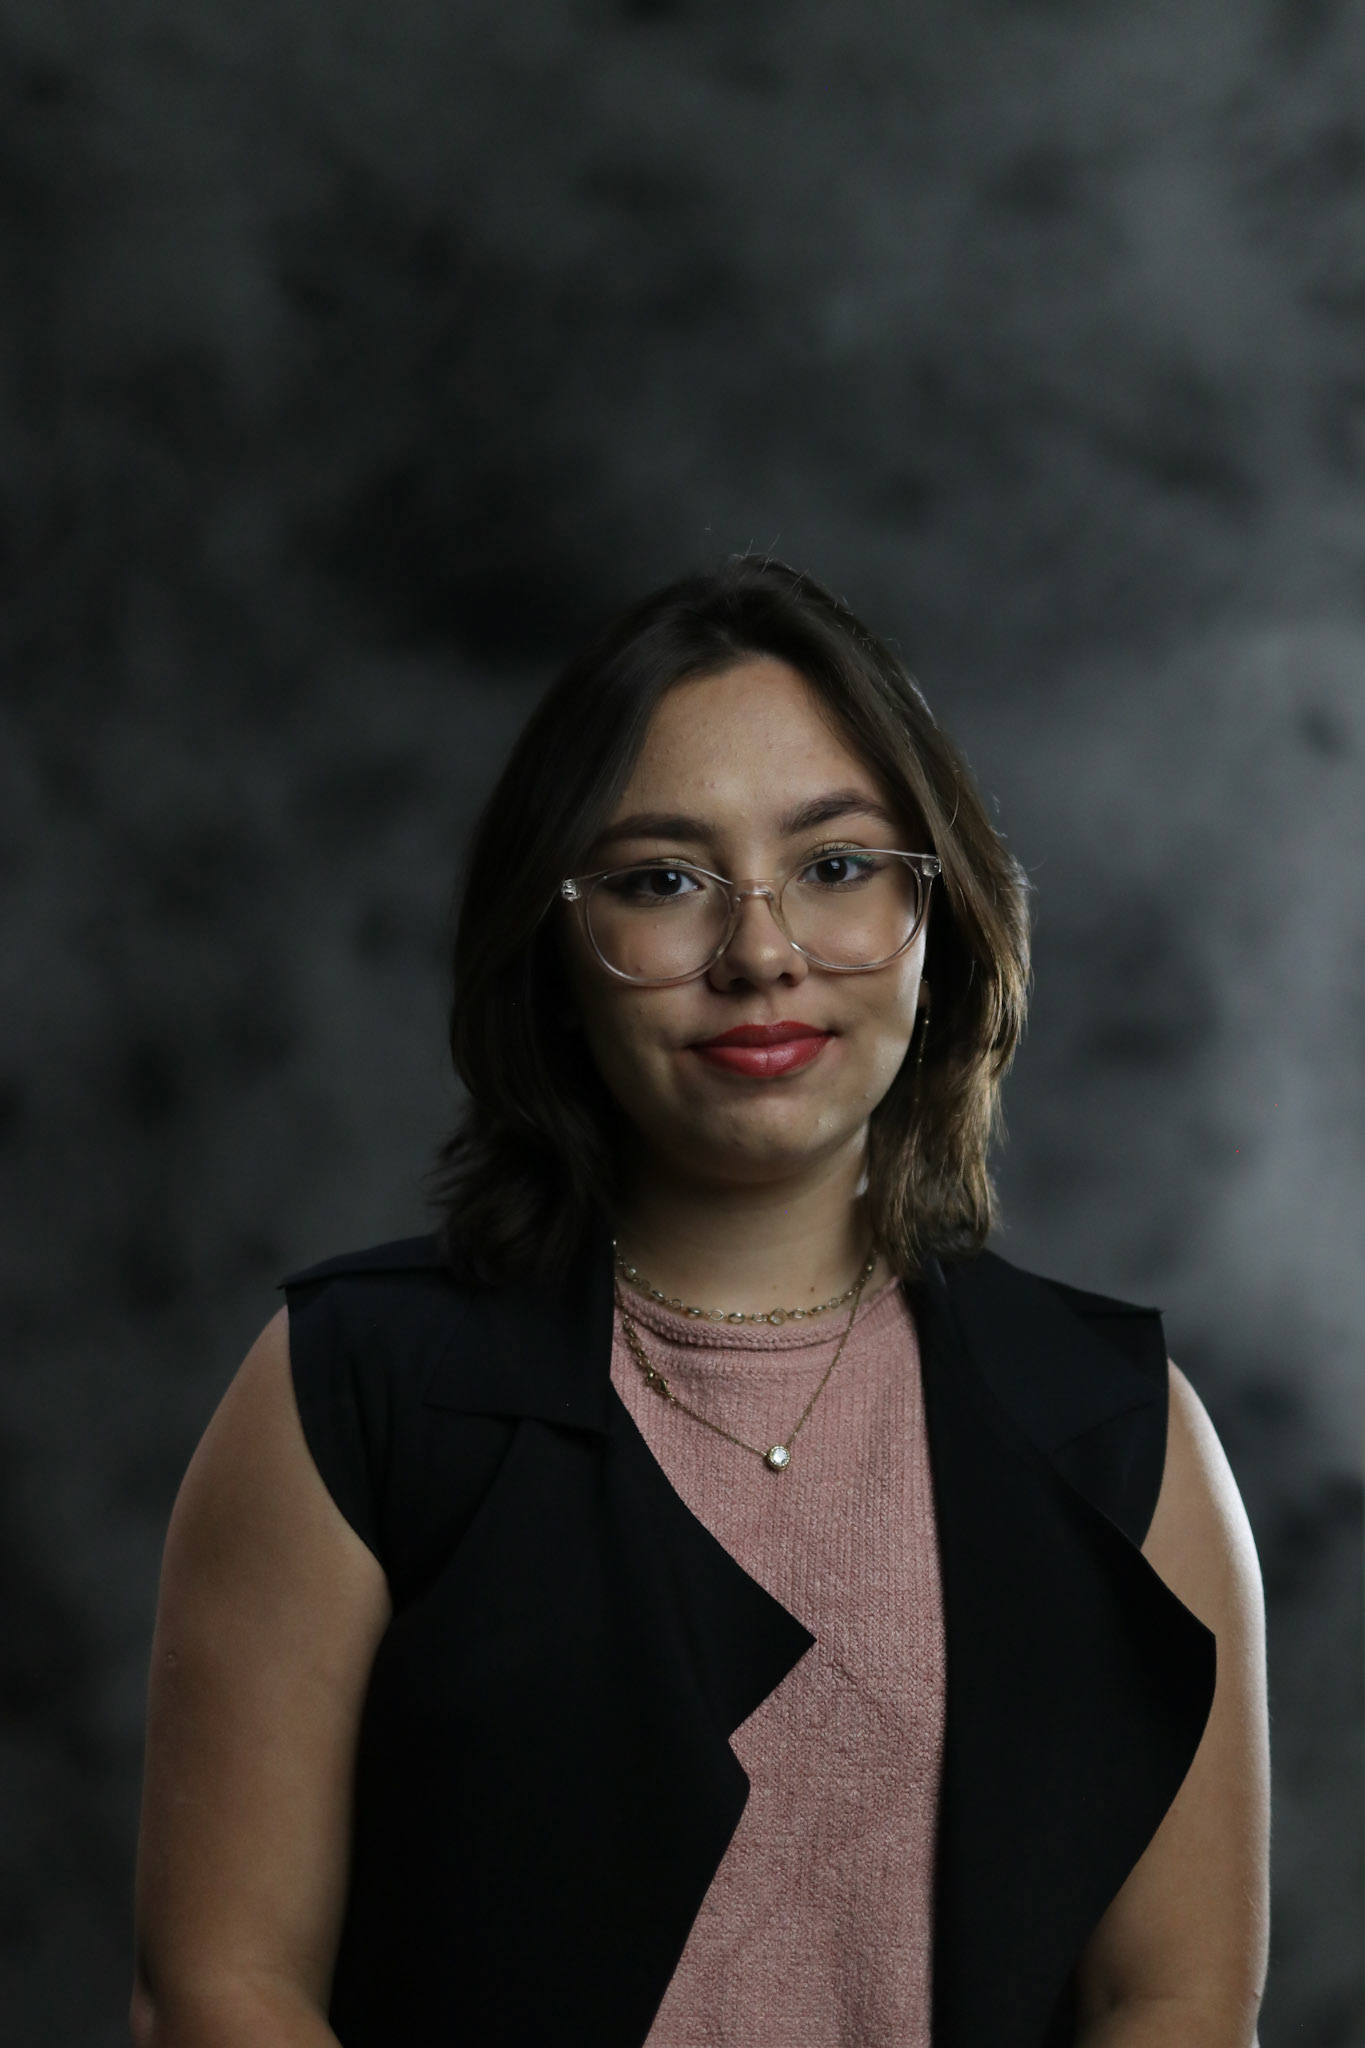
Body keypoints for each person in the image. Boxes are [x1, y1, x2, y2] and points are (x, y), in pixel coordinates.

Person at [131, 555, 1270, 2048]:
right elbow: (222, 1989)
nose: (761, 954)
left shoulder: (1116, 1434)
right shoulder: (352, 1392)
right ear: (558, 946)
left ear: (938, 913)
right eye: (663, 880)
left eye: (837, 864)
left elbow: (1174, 2003)